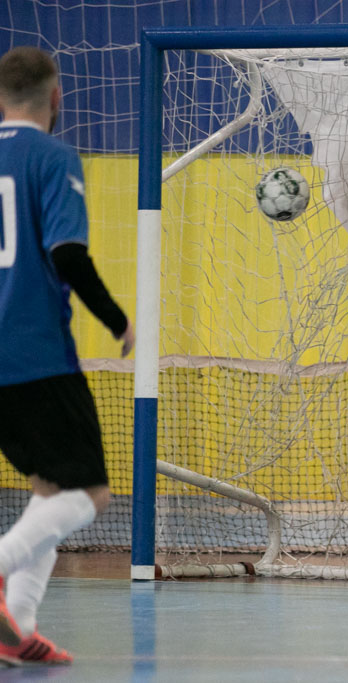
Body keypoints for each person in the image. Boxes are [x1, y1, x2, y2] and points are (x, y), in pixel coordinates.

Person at [0, 46, 134, 665]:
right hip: (34, 353)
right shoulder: (51, 158)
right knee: (89, 494)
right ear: (57, 98)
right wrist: (118, 321)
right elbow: (66, 253)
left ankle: (18, 629)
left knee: (49, 490)